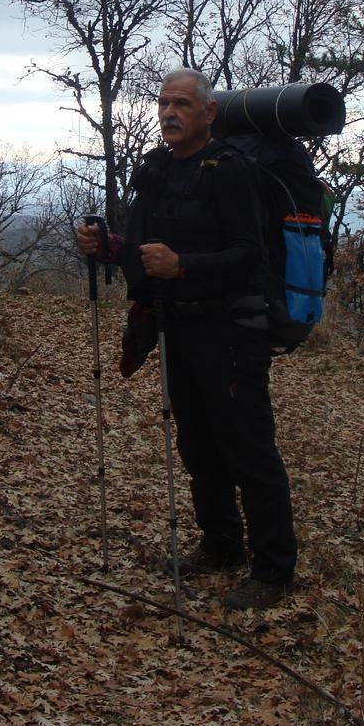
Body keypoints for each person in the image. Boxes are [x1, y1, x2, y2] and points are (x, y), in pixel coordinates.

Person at [76, 67, 297, 611]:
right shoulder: (155, 169)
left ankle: (273, 571)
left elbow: (250, 256)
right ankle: (221, 545)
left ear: (209, 113)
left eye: (182, 104)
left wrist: (184, 267)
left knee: (248, 450)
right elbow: (142, 250)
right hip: (178, 326)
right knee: (197, 444)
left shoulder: (232, 171)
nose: (170, 113)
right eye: (163, 103)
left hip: (232, 330)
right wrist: (107, 247)